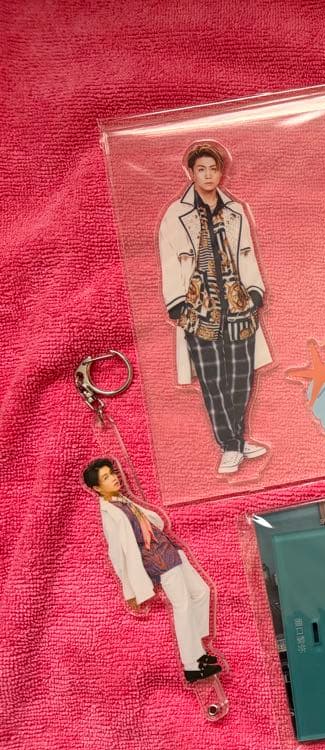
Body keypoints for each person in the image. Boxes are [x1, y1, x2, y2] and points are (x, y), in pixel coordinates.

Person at [158, 141, 270, 474]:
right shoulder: (175, 215)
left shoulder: (235, 211)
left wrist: (255, 292)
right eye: (201, 169)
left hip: (238, 305)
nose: (208, 175)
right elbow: (169, 261)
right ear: (191, 173)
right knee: (213, 380)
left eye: (213, 169)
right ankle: (230, 445)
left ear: (221, 173)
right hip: (198, 309)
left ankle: (235, 440)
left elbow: (247, 253)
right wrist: (178, 305)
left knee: (241, 378)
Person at [82, 458, 222, 684]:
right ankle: (192, 665)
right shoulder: (110, 514)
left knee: (201, 591)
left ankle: (197, 650)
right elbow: (117, 554)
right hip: (158, 560)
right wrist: (129, 590)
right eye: (106, 478)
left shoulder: (122, 500)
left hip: (170, 551)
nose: (114, 478)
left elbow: (152, 522)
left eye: (112, 473)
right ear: (97, 488)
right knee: (182, 605)